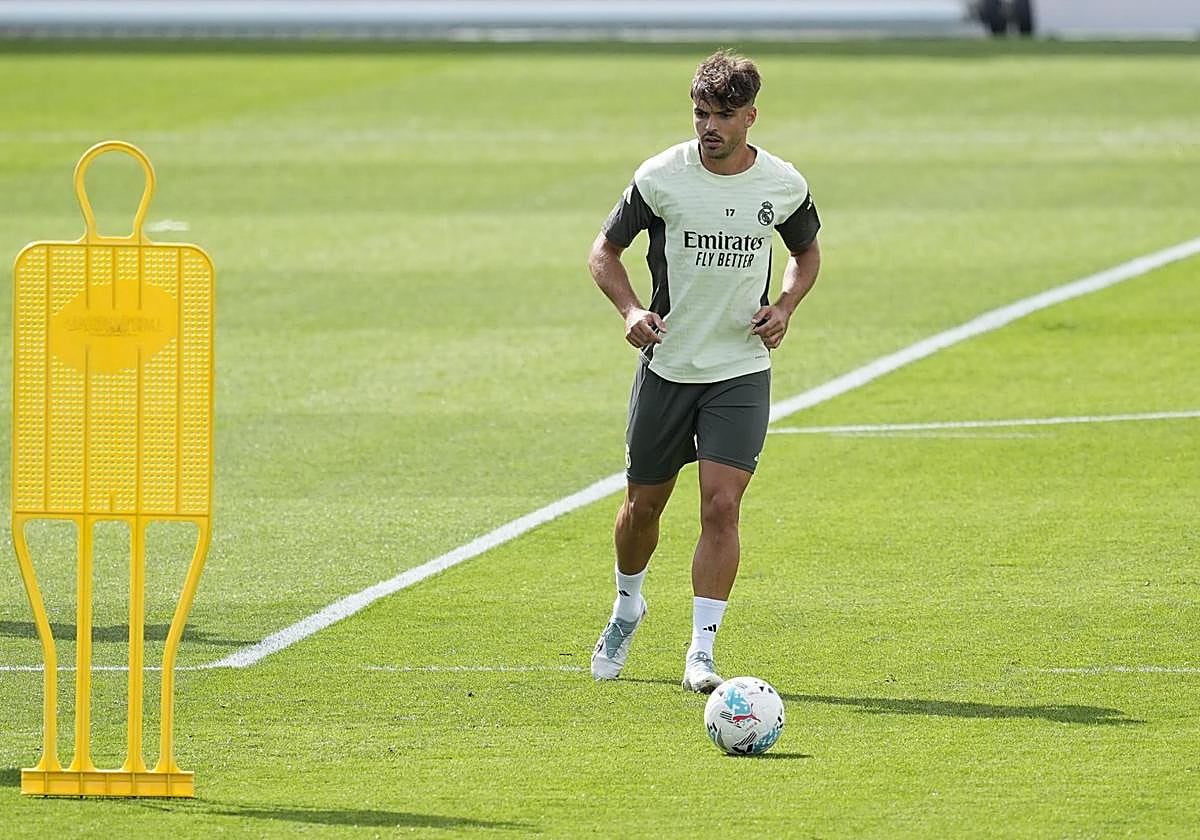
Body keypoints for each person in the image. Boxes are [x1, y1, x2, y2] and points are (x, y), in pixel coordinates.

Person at [587, 50, 822, 693]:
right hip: (668, 366)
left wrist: (785, 306)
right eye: (700, 113)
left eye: (721, 115)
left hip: (739, 369)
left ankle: (701, 651)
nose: (708, 126)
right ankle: (627, 605)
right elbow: (604, 251)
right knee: (642, 508)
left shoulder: (782, 184)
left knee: (721, 505)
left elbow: (806, 253)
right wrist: (630, 309)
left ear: (750, 116)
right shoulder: (661, 177)